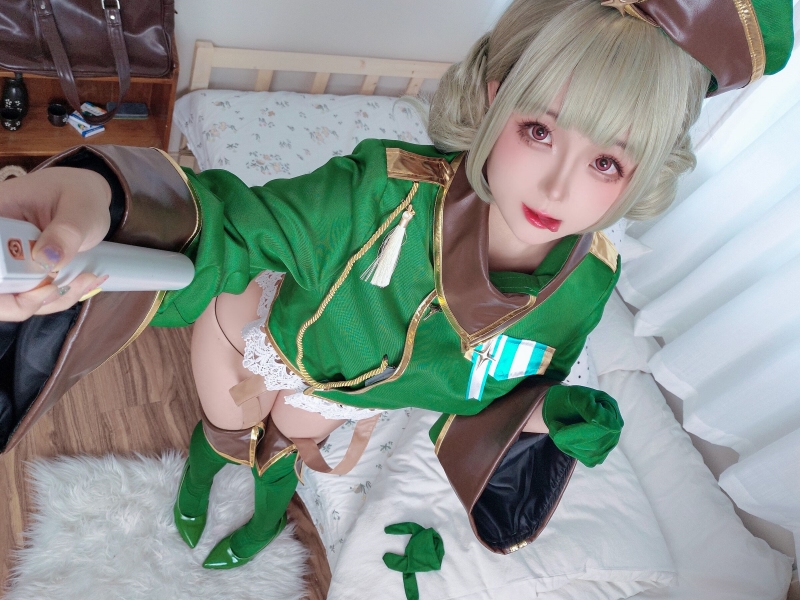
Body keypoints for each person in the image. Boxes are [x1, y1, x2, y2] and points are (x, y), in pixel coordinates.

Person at [0, 0, 793, 569]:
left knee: (290, 445)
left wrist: (550, 415)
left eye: (607, 162)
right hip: (263, 330)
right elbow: (233, 223)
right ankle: (200, 476)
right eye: (539, 130)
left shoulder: (586, 284)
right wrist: (107, 200)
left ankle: (266, 515)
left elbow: (507, 384)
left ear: (642, 174)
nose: (557, 186)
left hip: (348, 391)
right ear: (496, 101)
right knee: (225, 421)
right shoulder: (383, 191)